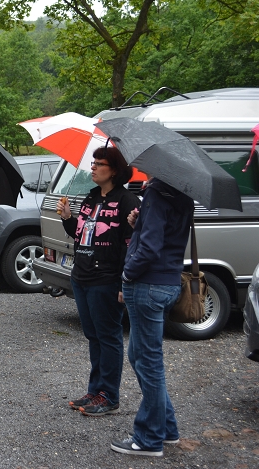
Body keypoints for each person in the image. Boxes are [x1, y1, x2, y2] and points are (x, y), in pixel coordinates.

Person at [110, 176, 193, 457]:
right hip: (168, 282)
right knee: (139, 356)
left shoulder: (157, 194)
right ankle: (166, 427)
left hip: (147, 284)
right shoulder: (182, 194)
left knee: (148, 362)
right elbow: (165, 236)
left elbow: (150, 247)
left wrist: (127, 273)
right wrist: (140, 223)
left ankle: (148, 438)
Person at [57, 146, 139, 416]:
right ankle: (95, 390)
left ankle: (109, 395)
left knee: (108, 336)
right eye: (92, 163)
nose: (92, 167)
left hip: (106, 279)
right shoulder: (91, 197)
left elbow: (130, 245)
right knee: (93, 335)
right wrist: (68, 218)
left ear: (113, 170)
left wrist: (124, 282)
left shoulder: (127, 201)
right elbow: (81, 235)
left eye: (99, 163)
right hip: (81, 276)